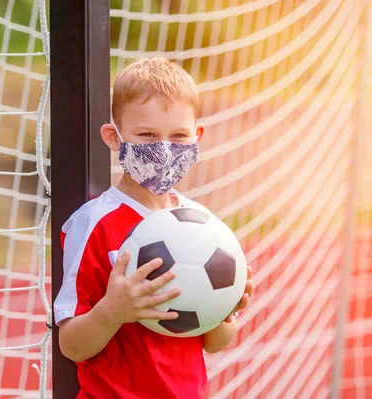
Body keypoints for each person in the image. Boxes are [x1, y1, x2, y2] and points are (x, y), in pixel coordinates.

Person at [53, 57, 254, 399]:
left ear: (197, 137)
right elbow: (72, 346)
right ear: (114, 138)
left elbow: (214, 344)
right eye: (146, 136)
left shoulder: (203, 228)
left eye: (178, 136)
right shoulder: (93, 224)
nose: (163, 149)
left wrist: (225, 312)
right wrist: (112, 311)